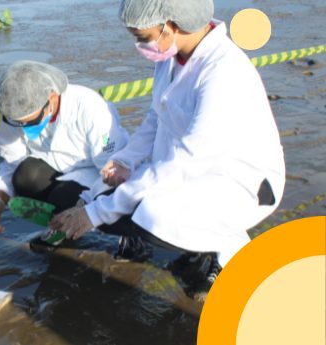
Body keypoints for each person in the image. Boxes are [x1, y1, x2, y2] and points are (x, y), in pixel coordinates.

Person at [49, 0, 285, 300]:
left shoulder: (223, 73)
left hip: (242, 181)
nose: (139, 45)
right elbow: (156, 116)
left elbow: (189, 159)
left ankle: (228, 253)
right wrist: (125, 160)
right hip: (192, 169)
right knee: (115, 193)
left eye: (142, 37)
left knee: (150, 213)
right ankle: (201, 247)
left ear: (171, 26)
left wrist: (95, 214)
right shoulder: (170, 56)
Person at [0, 60, 129, 251]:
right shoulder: (13, 115)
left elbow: (113, 171)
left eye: (31, 121)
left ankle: (128, 234)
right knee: (24, 176)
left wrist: (84, 206)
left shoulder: (89, 108)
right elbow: (12, 162)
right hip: (57, 170)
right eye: (19, 123)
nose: (25, 128)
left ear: (51, 99)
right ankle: (61, 227)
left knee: (65, 198)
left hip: (98, 171)